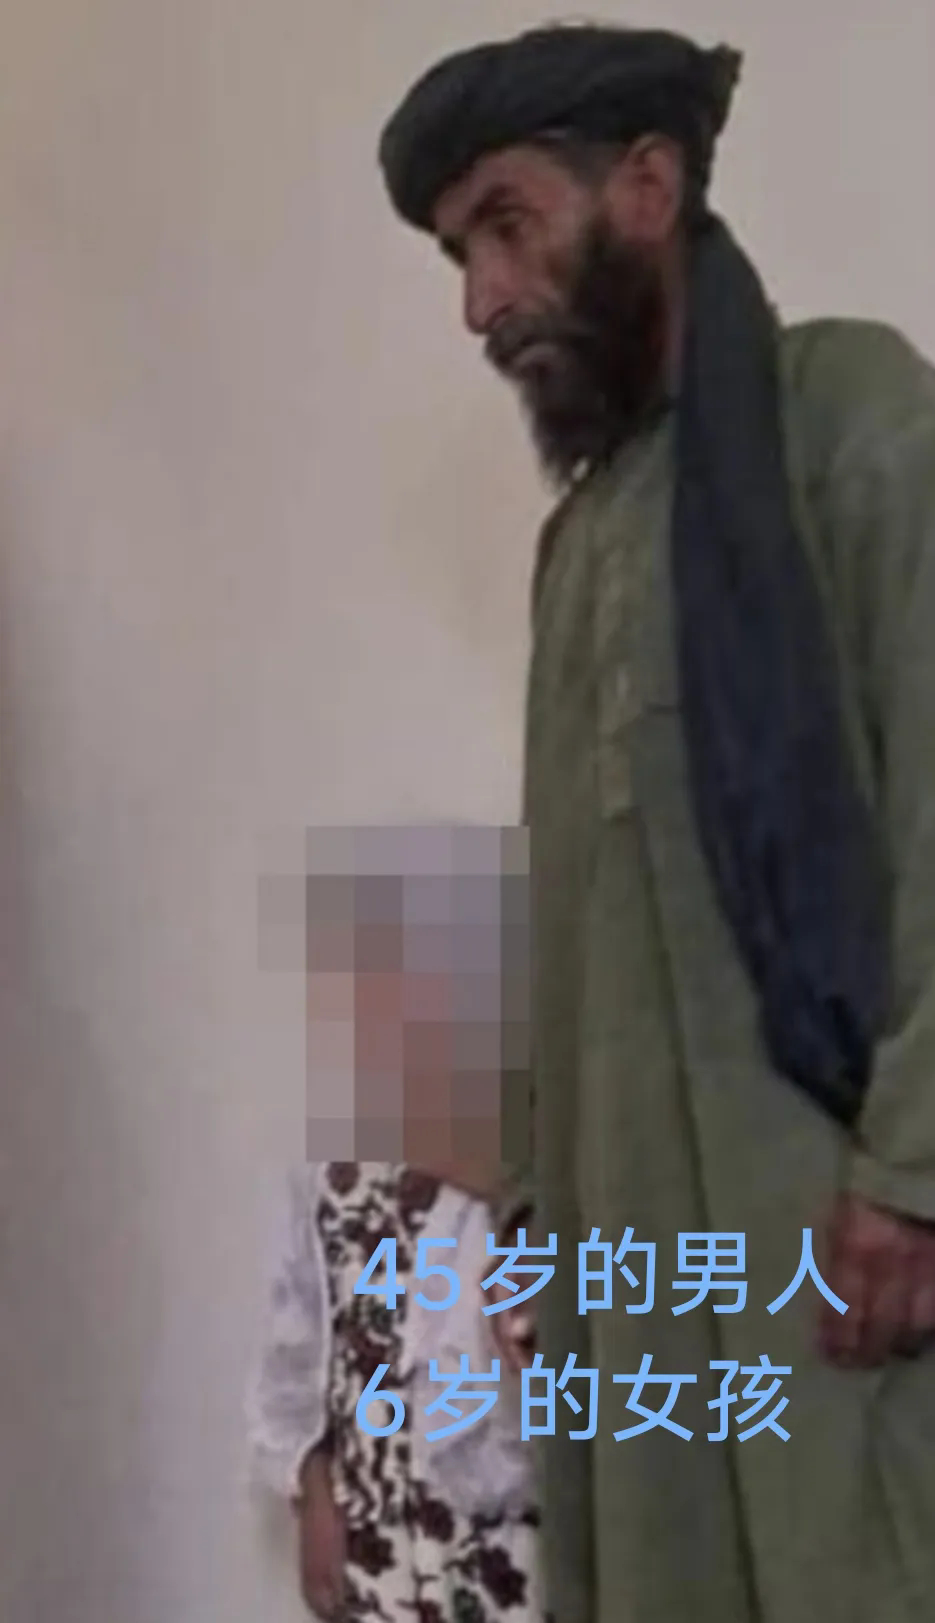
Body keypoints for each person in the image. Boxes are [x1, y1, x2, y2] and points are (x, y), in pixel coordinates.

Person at [377, 23, 935, 1623]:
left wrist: (910, 1171)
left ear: (643, 185)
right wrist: (530, 1219)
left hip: (838, 1259)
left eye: (504, 225)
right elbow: (570, 923)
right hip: (634, 1294)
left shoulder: (848, 415)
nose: (480, 299)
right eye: (457, 256)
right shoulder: (578, 549)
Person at [247, 849, 541, 1623]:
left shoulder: (527, 1139)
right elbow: (304, 1334)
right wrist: (311, 1487)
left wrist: (499, 1182)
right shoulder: (334, 1153)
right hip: (371, 1531)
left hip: (503, 1531)